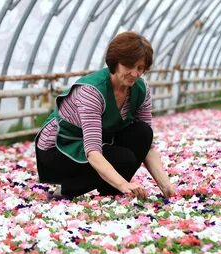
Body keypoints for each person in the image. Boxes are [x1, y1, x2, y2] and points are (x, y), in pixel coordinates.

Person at [35, 31, 175, 200]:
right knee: (124, 159)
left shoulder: (140, 89)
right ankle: (67, 189)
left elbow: (147, 146)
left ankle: (110, 191)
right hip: (58, 148)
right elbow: (93, 150)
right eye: (129, 66)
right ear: (115, 63)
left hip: (93, 144)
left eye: (140, 68)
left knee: (142, 132)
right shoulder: (91, 91)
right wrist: (124, 184)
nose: (135, 73)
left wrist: (165, 185)